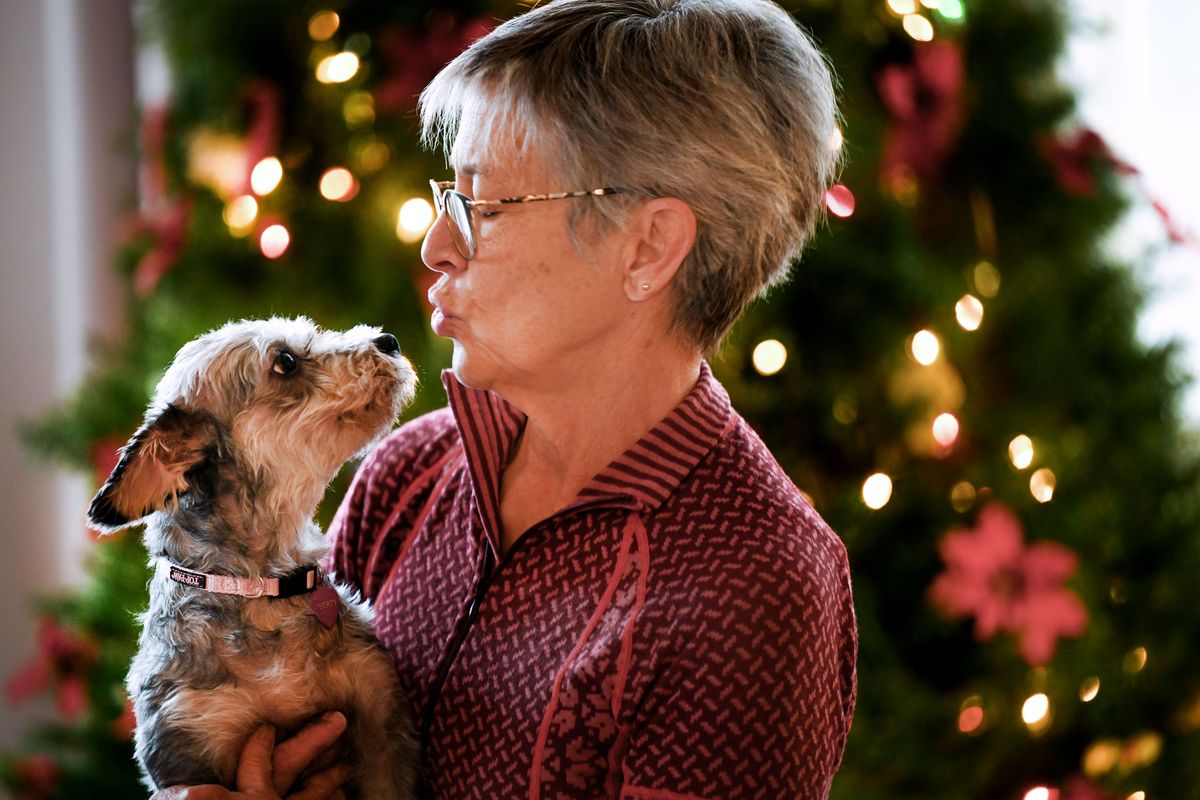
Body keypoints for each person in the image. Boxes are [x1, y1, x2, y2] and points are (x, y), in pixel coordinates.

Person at [154, 0, 856, 797]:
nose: (436, 244)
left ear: (649, 247)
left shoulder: (756, 591)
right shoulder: (406, 478)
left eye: (483, 206)